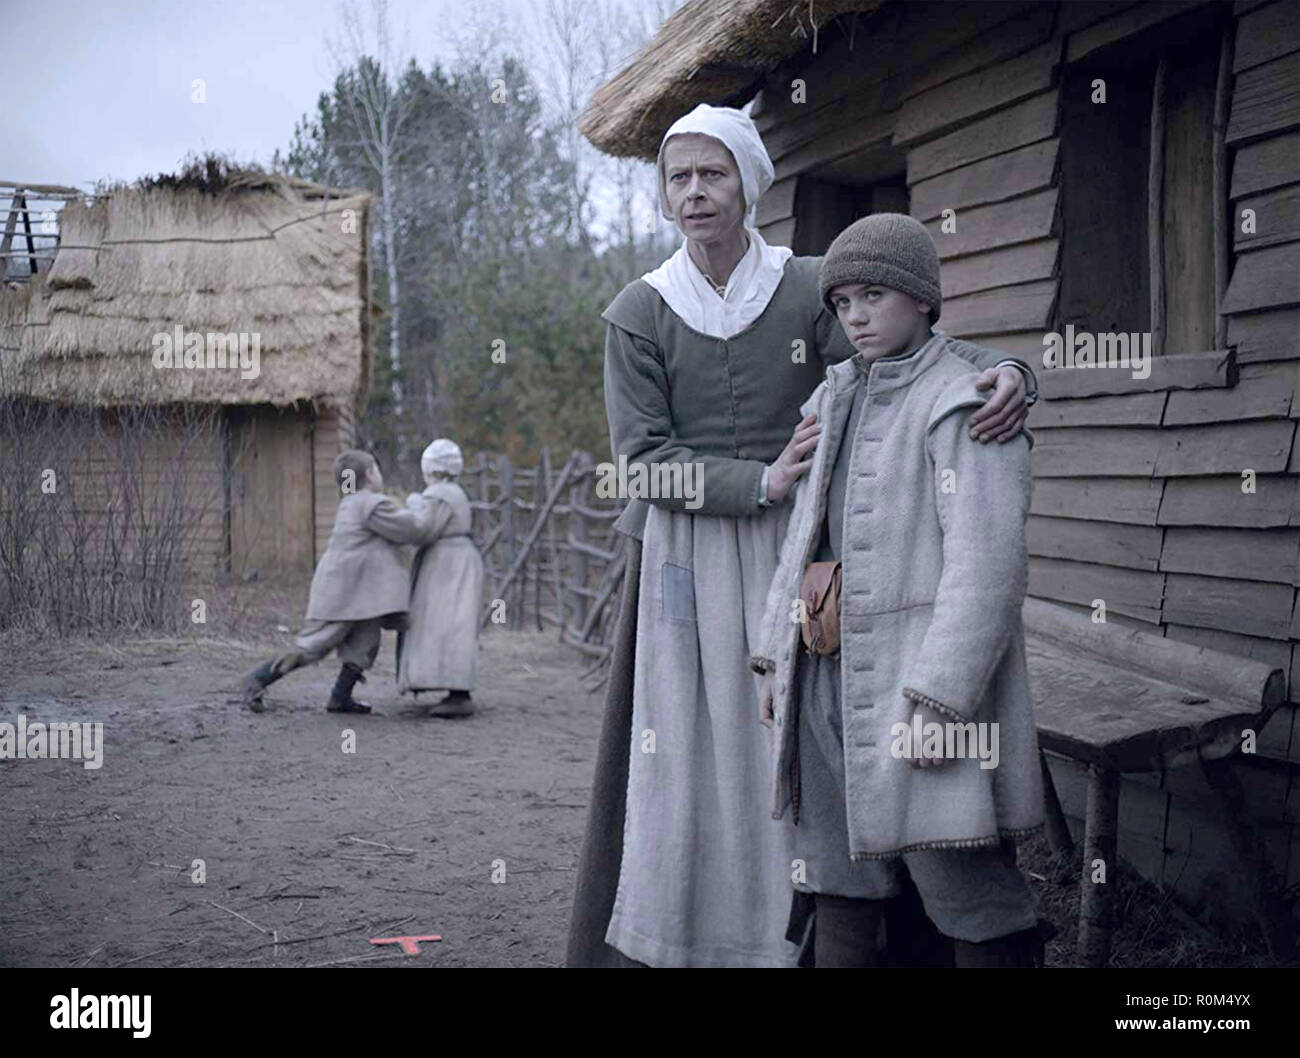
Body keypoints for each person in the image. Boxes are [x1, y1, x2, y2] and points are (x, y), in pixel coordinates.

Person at [566, 103, 1038, 968]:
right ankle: (692, 935)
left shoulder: (812, 284)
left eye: (713, 174)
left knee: (823, 756)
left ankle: (845, 941)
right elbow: (640, 464)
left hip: (810, 551)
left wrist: (1010, 371)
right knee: (690, 755)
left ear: (748, 185)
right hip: (688, 554)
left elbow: (910, 354)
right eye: (679, 177)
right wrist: (760, 480)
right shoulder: (639, 310)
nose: (695, 193)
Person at [752, 213, 1045, 968]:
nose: (856, 316)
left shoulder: (966, 402)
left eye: (874, 295)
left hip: (918, 686)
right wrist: (774, 659)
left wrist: (941, 693)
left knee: (963, 881)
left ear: (922, 298)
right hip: (821, 678)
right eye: (843, 301)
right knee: (837, 880)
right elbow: (801, 540)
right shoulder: (831, 399)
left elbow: (987, 566)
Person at [239, 449, 426, 714]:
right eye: (377, 468)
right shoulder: (370, 504)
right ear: (370, 474)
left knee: (365, 643)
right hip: (344, 593)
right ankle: (258, 678)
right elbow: (412, 529)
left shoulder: (352, 502)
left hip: (358, 595)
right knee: (316, 644)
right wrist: (418, 505)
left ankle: (340, 698)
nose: (380, 474)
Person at [398, 439, 484, 719]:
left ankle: (459, 694)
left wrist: (412, 504)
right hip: (452, 562)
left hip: (448, 565)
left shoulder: (440, 494)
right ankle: (448, 685)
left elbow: (422, 529)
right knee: (448, 624)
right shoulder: (453, 492)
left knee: (449, 625)